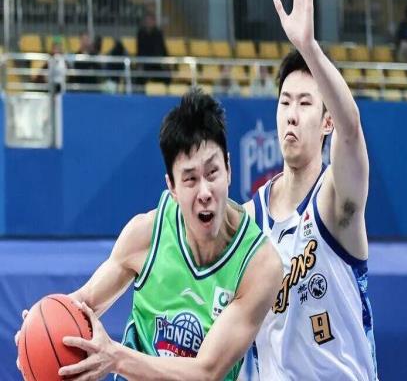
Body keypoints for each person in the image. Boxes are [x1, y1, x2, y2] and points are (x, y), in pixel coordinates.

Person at [15, 89, 283, 380]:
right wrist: (39, 333)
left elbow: (207, 371)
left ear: (229, 169)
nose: (205, 192)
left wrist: (116, 358)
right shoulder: (147, 234)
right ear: (172, 187)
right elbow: (85, 303)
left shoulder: (259, 265)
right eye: (190, 179)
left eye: (212, 173)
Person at [243, 0, 378, 380]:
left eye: (305, 103)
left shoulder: (336, 200)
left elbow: (352, 130)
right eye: (285, 102)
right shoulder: (249, 221)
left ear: (326, 121)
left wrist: (308, 47)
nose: (292, 114)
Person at [136, 11, 170, 85]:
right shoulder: (141, 33)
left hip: (156, 63)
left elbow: (163, 49)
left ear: (154, 22)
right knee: (138, 76)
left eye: (150, 20)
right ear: (145, 22)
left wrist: (165, 62)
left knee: (167, 76)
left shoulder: (158, 33)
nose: (149, 22)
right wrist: (139, 64)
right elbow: (139, 50)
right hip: (145, 63)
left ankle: (166, 90)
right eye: (147, 20)